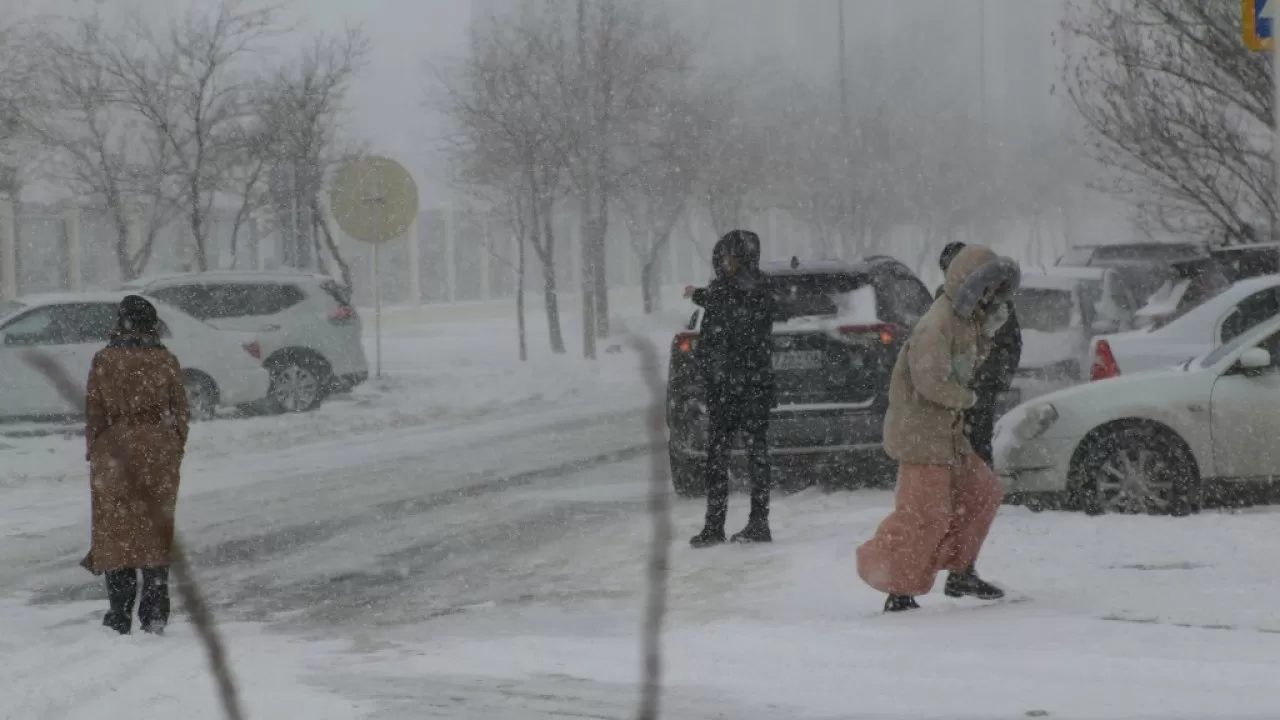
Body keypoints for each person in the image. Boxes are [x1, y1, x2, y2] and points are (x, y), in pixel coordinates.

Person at [857, 245, 1020, 612]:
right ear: (969, 283)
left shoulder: (969, 321)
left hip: (948, 435)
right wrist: (970, 398)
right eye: (988, 287)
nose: (992, 295)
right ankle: (897, 586)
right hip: (921, 436)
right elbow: (931, 381)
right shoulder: (937, 324)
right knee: (924, 514)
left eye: (998, 288)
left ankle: (961, 570)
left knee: (982, 493)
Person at [82, 295, 190, 635]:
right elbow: (180, 410)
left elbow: (94, 411)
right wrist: (173, 445)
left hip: (114, 452)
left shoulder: (104, 360)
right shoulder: (166, 360)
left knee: (115, 532)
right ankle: (155, 611)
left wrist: (95, 449)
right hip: (157, 452)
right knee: (155, 531)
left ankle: (119, 613)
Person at [683, 229, 776, 547]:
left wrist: (703, 296)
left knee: (738, 456)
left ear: (743, 259)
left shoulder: (742, 291)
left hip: (739, 386)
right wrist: (699, 294)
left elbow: (727, 313)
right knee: (732, 456)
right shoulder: (747, 289)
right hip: (737, 386)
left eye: (730, 258)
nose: (725, 263)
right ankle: (728, 524)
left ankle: (742, 524)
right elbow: (721, 304)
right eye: (723, 258)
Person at [934, 241, 1022, 466]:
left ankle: (978, 482)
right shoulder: (942, 299)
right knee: (951, 445)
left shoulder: (996, 300)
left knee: (978, 444)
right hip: (954, 388)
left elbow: (1011, 343)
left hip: (981, 388)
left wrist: (995, 378)